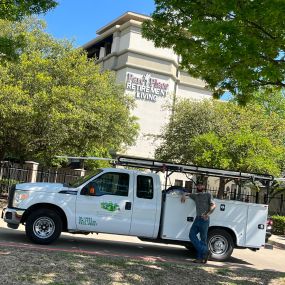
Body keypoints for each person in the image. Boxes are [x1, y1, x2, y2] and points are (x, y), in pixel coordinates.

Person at [181, 182, 216, 264]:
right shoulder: (195, 195)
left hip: (204, 220)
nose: (199, 186)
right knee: (191, 235)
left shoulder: (208, 194)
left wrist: (207, 214)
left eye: (201, 185)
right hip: (197, 219)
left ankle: (200, 259)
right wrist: (183, 195)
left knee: (203, 239)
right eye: (198, 185)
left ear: (204, 186)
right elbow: (188, 194)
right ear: (196, 186)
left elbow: (213, 205)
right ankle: (205, 251)